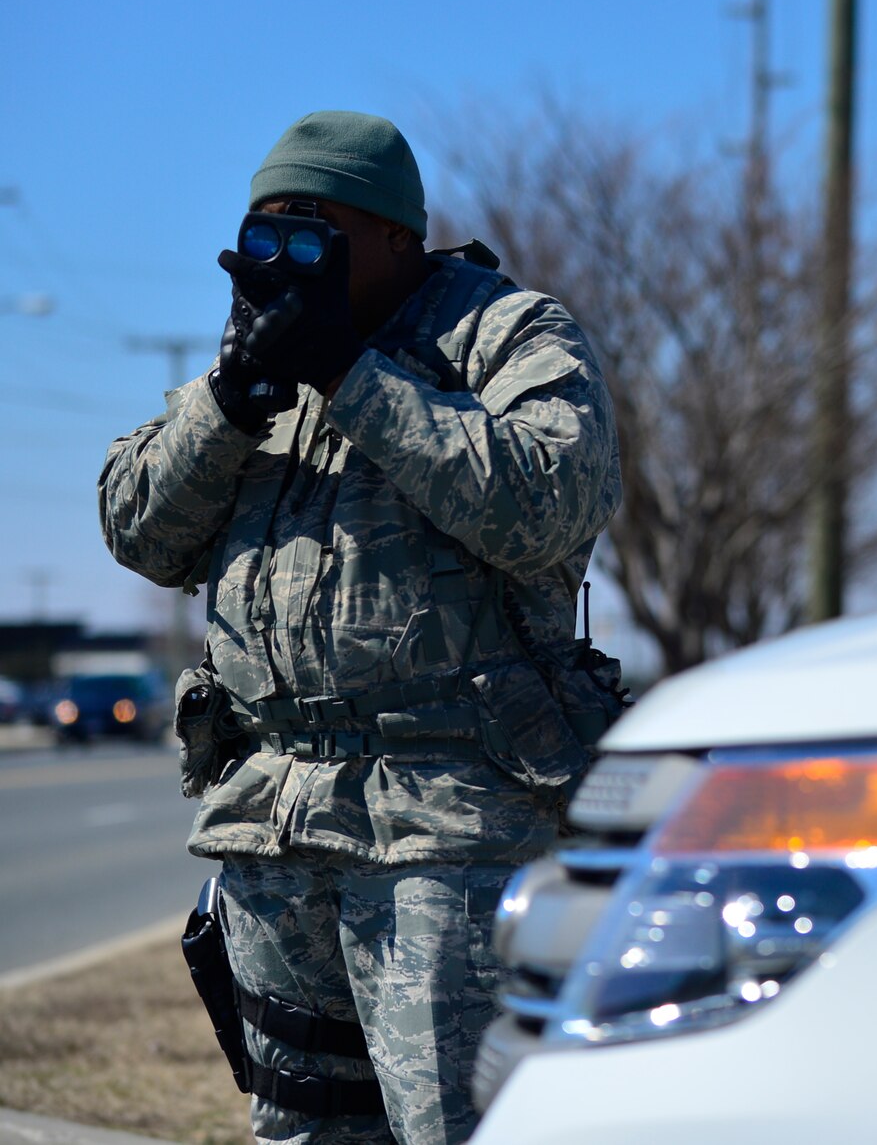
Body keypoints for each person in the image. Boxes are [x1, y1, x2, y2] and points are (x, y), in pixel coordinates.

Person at [99, 111, 622, 1145]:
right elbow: (138, 530)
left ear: (392, 235)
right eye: (265, 230)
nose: (286, 255)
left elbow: (546, 506)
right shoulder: (255, 364)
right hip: (273, 815)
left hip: (449, 818)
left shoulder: (505, 333)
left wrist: (354, 375)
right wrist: (233, 397)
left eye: (315, 229)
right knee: (306, 1128)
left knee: (455, 1125)